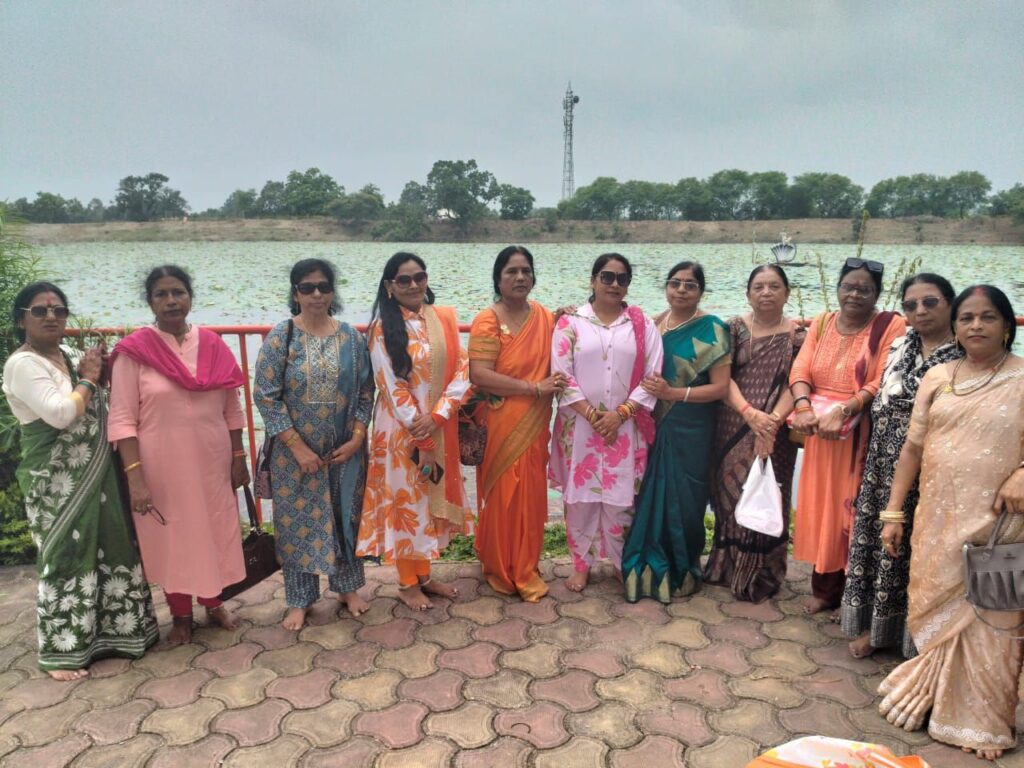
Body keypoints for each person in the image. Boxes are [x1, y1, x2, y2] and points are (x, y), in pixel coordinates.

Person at [878, 285, 1024, 762]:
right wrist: (894, 512)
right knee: (940, 610)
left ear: (1008, 325)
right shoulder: (938, 376)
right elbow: (913, 448)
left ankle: (984, 722)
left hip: (1001, 526)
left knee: (994, 620)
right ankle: (936, 698)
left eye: (988, 317)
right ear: (956, 327)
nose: (976, 325)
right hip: (938, 519)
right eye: (966, 318)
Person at [2, 282, 158, 679]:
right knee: (65, 557)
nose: (51, 317)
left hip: (97, 474)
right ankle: (62, 652)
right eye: (40, 311)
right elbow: (59, 414)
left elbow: (96, 403)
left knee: (110, 545)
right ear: (21, 319)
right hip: (56, 480)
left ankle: (116, 635)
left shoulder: (70, 356)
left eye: (58, 310)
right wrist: (89, 379)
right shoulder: (23, 365)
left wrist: (100, 377)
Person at [108, 265, 248, 644]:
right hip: (161, 465)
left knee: (213, 529)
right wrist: (135, 478)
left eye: (178, 292)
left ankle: (214, 603)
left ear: (190, 297)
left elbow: (232, 408)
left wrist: (239, 457)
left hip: (212, 460)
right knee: (174, 536)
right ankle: (181, 615)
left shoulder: (213, 345)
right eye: (162, 294)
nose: (171, 301)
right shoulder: (134, 352)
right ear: (150, 301)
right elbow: (122, 419)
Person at [840, 273, 961, 658]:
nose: (920, 311)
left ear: (950, 304)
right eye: (910, 305)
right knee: (881, 544)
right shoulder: (900, 344)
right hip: (882, 460)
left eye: (930, 302)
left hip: (931, 465)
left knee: (917, 549)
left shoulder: (964, 354)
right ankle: (878, 629)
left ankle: (916, 635)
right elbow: (881, 394)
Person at [255, 259, 374, 630]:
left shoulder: (352, 339)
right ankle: (300, 600)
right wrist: (297, 447)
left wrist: (357, 439)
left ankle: (347, 588)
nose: (317, 294)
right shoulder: (282, 336)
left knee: (344, 518)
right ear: (296, 293)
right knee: (297, 524)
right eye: (308, 288)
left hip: (344, 452)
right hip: (294, 456)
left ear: (333, 292)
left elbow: (366, 392)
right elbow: (266, 396)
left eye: (324, 286)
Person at [356, 253, 474, 611]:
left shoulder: (441, 319)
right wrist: (421, 433)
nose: (413, 285)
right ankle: (407, 584)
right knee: (406, 505)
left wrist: (439, 415)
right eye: (404, 280)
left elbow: (465, 370)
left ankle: (424, 576)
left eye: (419, 277)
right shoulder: (381, 328)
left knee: (426, 504)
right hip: (400, 431)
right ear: (389, 286)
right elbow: (392, 387)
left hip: (438, 425)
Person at [789, 258, 906, 613]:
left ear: (877, 294)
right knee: (823, 506)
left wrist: (845, 409)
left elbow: (883, 377)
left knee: (854, 509)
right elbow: (800, 369)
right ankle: (825, 589)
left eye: (864, 289)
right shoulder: (823, 322)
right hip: (819, 431)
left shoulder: (890, 325)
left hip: (861, 433)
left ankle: (856, 595)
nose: (855, 294)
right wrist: (803, 406)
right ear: (838, 288)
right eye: (848, 287)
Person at [549, 253, 663, 593]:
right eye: (607, 277)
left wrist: (620, 414)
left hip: (624, 427)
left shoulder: (642, 325)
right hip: (580, 426)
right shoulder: (571, 323)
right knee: (580, 500)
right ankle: (581, 564)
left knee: (621, 499)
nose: (614, 284)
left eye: (622, 278)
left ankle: (618, 561)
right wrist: (592, 414)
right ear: (593, 280)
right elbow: (561, 375)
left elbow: (653, 376)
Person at [621, 261, 731, 603]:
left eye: (690, 285)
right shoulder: (654, 324)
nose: (681, 290)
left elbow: (720, 388)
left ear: (701, 291)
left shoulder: (713, 329)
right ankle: (646, 567)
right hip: (655, 425)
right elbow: (610, 329)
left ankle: (683, 569)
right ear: (666, 287)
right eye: (675, 283)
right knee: (651, 494)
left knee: (687, 498)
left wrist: (673, 393)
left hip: (693, 427)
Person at [468, 246, 566, 602]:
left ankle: (525, 564)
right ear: (498, 279)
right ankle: (500, 565)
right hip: (500, 421)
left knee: (531, 494)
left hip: (535, 421)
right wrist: (533, 388)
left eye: (526, 270)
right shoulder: (488, 320)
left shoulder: (546, 318)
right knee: (503, 494)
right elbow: (479, 375)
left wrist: (569, 318)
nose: (520, 277)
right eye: (511, 271)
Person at [704, 264, 804, 603]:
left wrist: (771, 421)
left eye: (774, 286)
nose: (766, 293)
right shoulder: (733, 329)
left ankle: (762, 573)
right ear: (748, 294)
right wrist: (749, 413)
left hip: (776, 429)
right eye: (758, 287)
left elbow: (798, 383)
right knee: (729, 494)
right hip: (732, 422)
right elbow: (723, 377)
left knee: (769, 492)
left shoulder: (799, 337)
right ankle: (726, 567)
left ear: (787, 293)